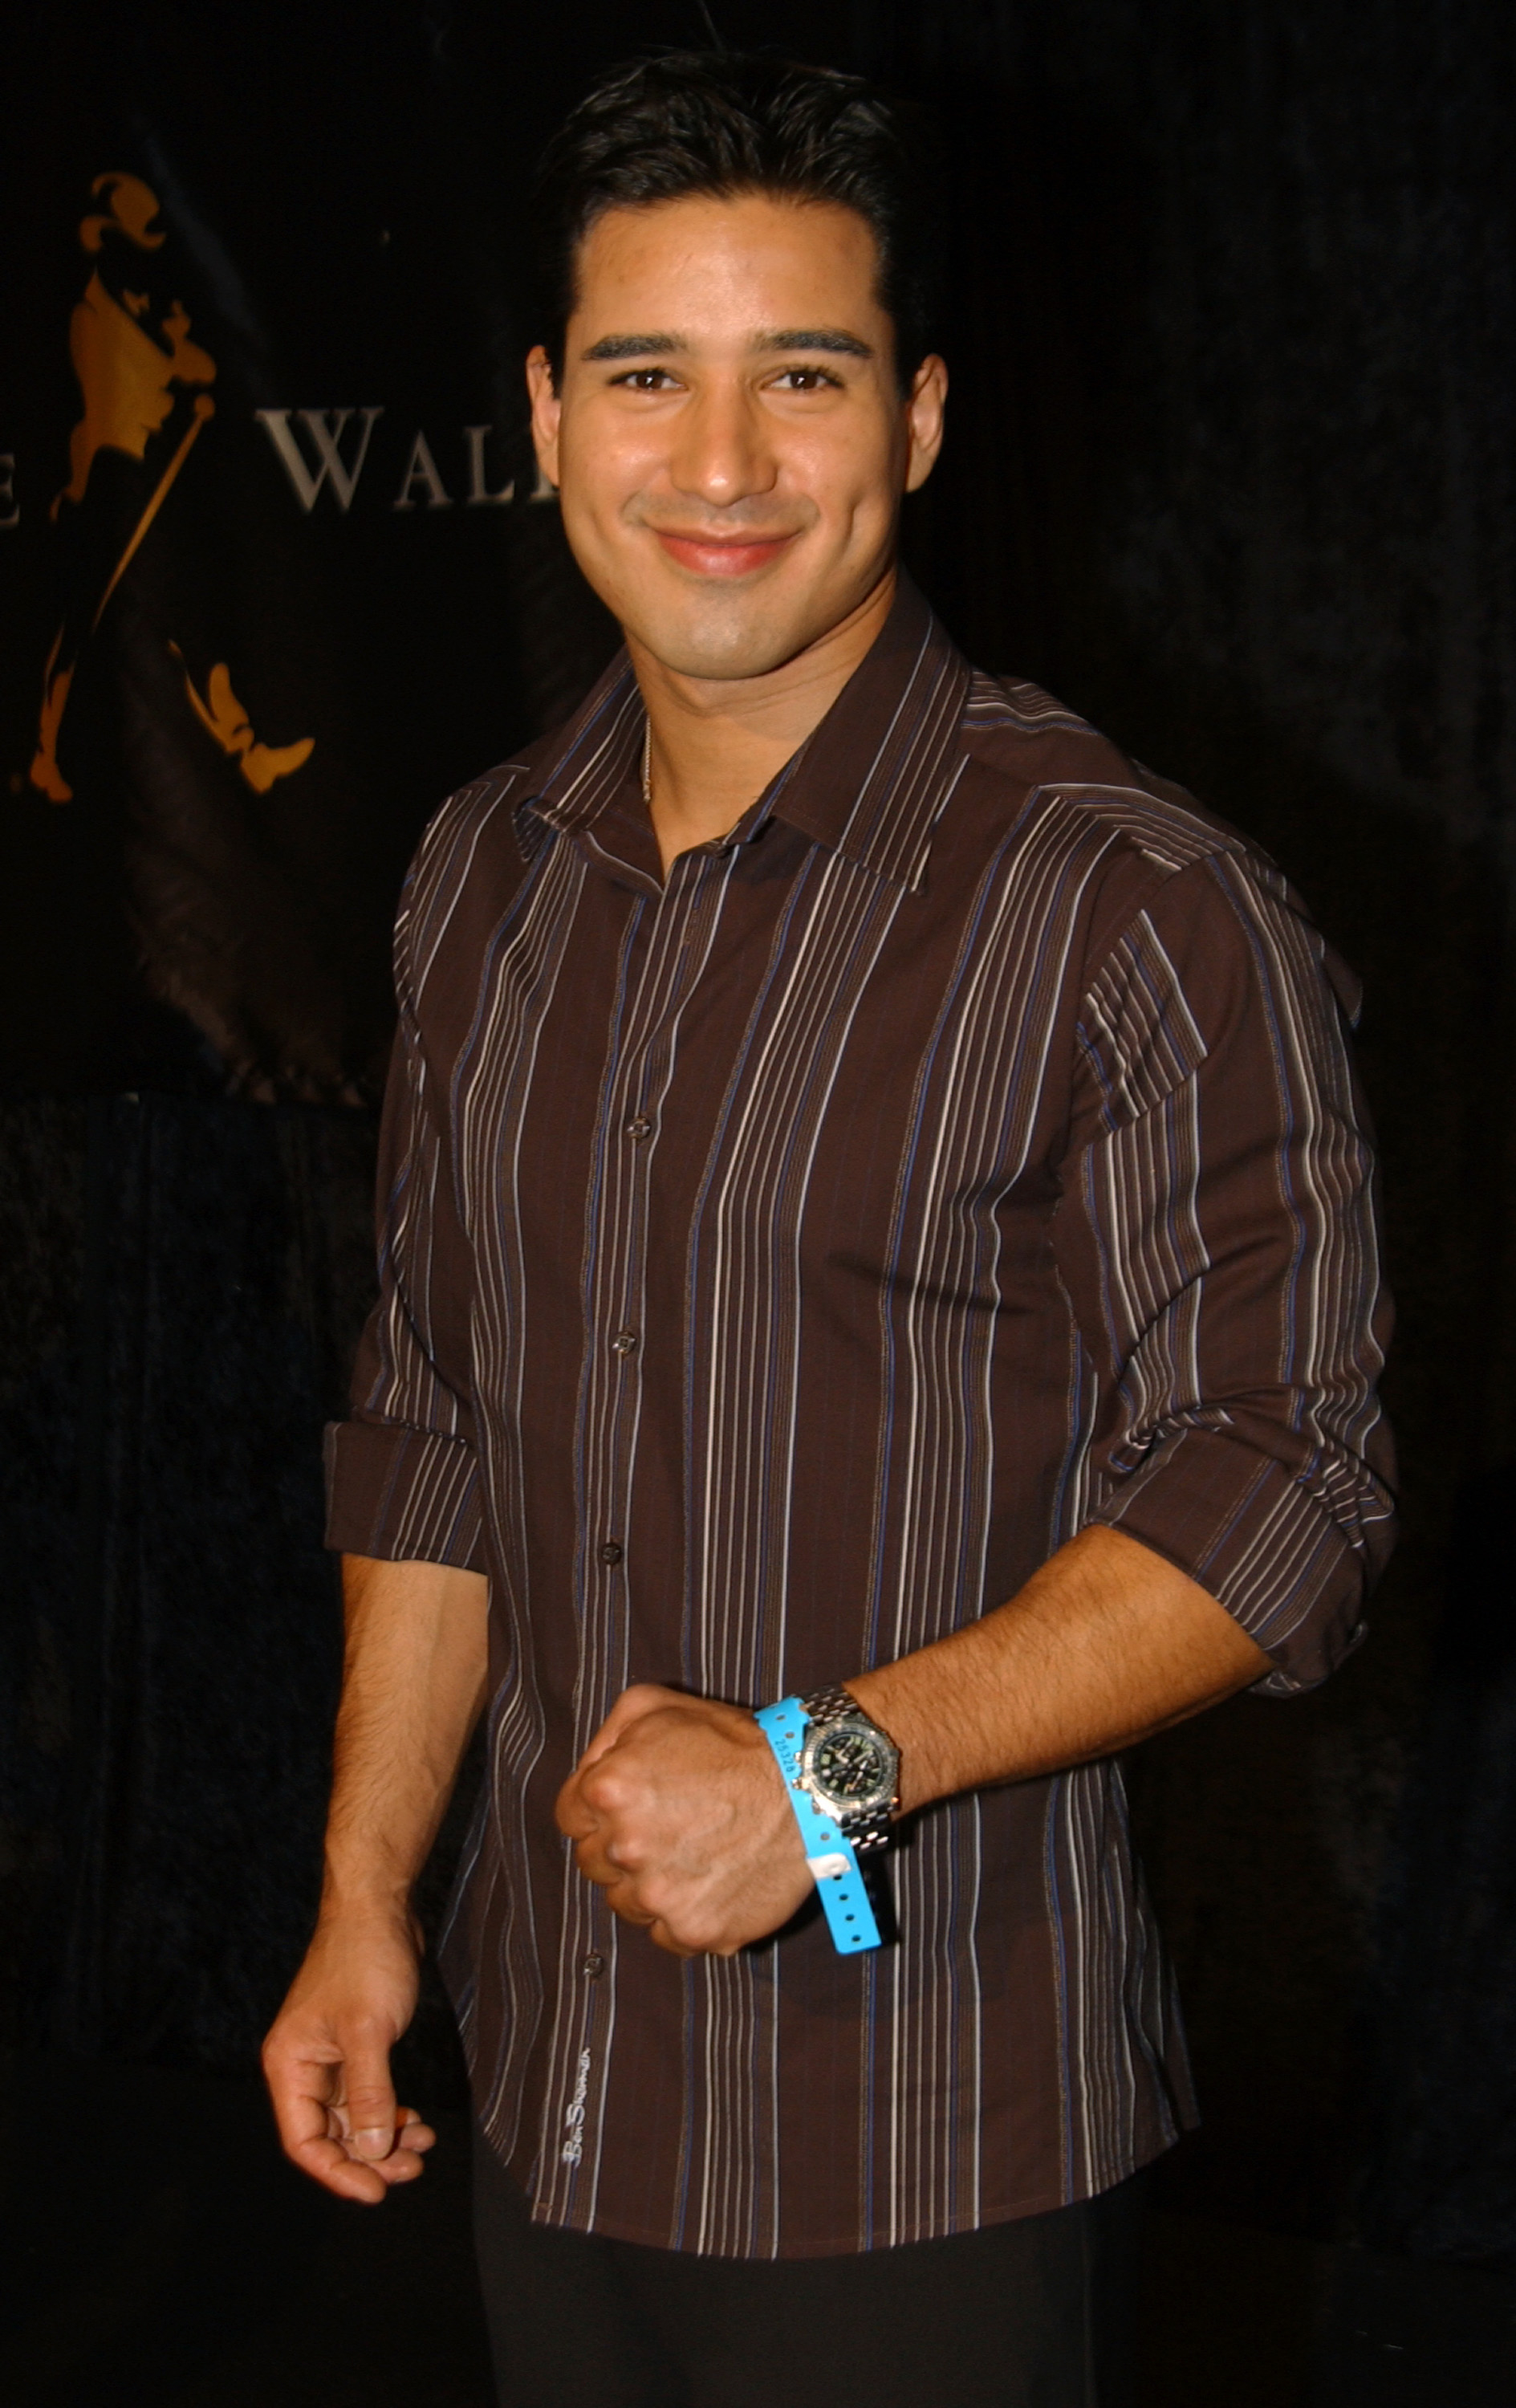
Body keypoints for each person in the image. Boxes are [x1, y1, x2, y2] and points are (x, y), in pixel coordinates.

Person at [262, 50, 1396, 2408]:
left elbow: (1288, 1489)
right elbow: (435, 1421)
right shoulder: (480, 869)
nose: (718, 466)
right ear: (548, 414)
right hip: (545, 2091)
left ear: (918, 420)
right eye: (649, 378)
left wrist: (824, 1772)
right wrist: (368, 1896)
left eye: (804, 378)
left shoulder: (1139, 905)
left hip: (919, 2146)